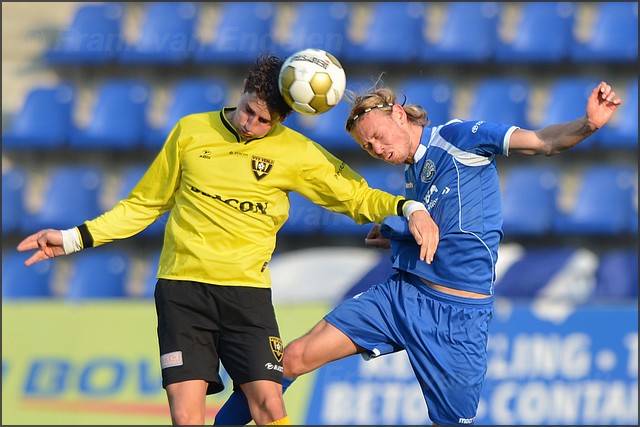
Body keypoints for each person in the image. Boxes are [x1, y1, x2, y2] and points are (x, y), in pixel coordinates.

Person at [15, 54, 435, 426]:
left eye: (264, 121)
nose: (252, 125)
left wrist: (409, 209)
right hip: (182, 291)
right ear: (244, 93)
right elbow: (143, 205)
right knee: (186, 415)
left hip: (245, 295)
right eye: (249, 112)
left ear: (283, 120)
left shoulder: (297, 153)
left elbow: (357, 196)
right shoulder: (190, 131)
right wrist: (72, 239)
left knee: (268, 404)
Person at [213, 79, 622, 425]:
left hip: (459, 317)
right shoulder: (413, 175)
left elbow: (543, 141)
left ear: (399, 115)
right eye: (367, 145)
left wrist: (588, 123)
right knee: (291, 359)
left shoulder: (459, 137)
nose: (375, 148)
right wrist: (397, 232)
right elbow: (441, 228)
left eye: (377, 136)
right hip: (401, 297)